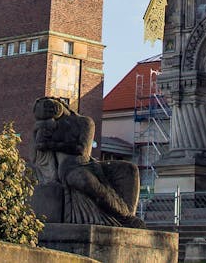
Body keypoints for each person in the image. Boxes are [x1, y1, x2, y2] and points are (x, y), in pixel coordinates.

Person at [30, 97, 143, 227]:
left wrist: (51, 144)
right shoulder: (51, 127)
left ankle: (129, 213)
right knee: (84, 180)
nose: (51, 109)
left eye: (49, 105)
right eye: (46, 112)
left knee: (130, 169)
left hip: (89, 164)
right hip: (69, 169)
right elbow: (38, 149)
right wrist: (39, 128)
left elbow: (82, 149)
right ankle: (123, 216)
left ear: (59, 101)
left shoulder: (85, 122)